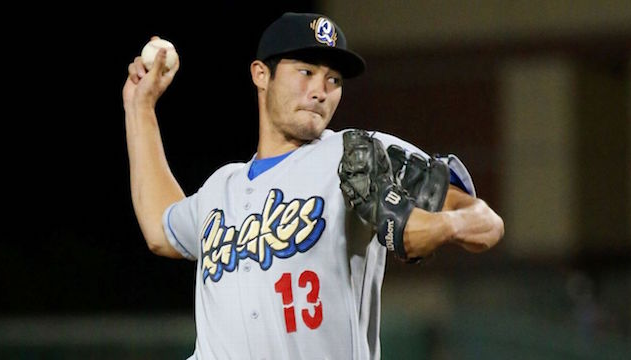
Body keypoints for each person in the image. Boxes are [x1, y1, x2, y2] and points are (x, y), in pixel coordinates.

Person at [122, 11, 504, 360]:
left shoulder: (355, 153)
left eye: (333, 80)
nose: (321, 90)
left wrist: (431, 225)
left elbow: (485, 222)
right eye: (306, 72)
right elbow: (160, 228)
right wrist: (139, 107)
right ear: (261, 74)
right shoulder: (222, 187)